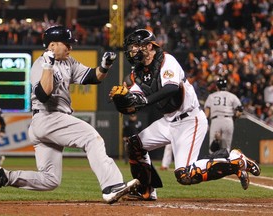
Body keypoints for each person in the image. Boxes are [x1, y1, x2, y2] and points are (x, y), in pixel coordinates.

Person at [0, 25, 139, 204]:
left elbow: (91, 76)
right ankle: (112, 186)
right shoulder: (40, 64)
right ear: (52, 46)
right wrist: (48, 66)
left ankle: (4, 176)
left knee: (50, 179)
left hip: (47, 123)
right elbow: (43, 95)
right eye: (66, 43)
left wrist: (105, 66)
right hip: (48, 117)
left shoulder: (69, 62)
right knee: (91, 138)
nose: (70, 47)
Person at [110, 29, 261, 201]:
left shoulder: (166, 60)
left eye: (137, 46)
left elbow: (171, 88)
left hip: (189, 119)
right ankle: (146, 189)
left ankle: (234, 161)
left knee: (185, 175)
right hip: (168, 121)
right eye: (132, 46)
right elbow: (136, 100)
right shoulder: (137, 74)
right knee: (134, 145)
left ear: (149, 46)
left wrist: (143, 101)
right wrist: (124, 99)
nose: (133, 50)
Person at [204, 78, 243, 154]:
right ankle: (225, 164)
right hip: (228, 120)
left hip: (216, 120)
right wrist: (234, 117)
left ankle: (214, 164)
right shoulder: (232, 96)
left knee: (212, 149)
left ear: (217, 86)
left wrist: (205, 122)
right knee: (226, 148)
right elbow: (240, 110)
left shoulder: (212, 96)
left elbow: (207, 112)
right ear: (226, 86)